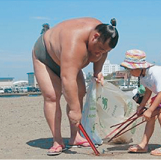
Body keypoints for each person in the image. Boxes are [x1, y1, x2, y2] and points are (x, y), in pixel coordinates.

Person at [32, 17, 119, 156]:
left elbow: (103, 51)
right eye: (100, 49)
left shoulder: (104, 32)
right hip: (45, 57)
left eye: (105, 51)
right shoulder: (74, 42)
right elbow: (67, 78)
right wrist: (74, 110)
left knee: (80, 92)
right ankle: (57, 141)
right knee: (52, 96)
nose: (100, 53)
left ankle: (75, 137)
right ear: (95, 37)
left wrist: (98, 71)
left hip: (66, 59)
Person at [121, 49, 161, 156]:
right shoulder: (142, 76)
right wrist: (141, 107)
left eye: (131, 69)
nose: (130, 72)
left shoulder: (154, 72)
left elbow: (160, 93)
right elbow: (148, 92)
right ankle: (143, 144)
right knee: (151, 117)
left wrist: (150, 110)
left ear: (140, 67)